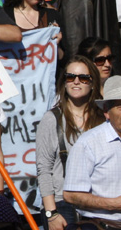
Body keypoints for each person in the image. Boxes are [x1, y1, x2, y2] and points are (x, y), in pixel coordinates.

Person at [36, 55, 103, 229]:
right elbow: (44, 169)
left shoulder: (104, 119)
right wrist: (51, 213)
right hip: (62, 204)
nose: (76, 82)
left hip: (97, 203)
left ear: (93, 82)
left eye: (83, 78)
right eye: (70, 77)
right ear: (64, 82)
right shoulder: (52, 119)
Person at [62, 75, 121, 226]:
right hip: (101, 225)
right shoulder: (89, 144)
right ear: (106, 111)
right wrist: (115, 204)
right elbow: (71, 195)